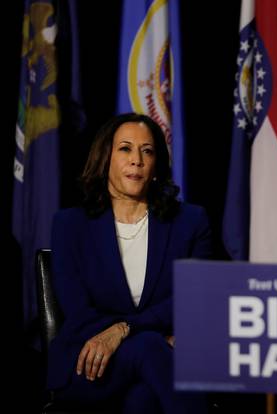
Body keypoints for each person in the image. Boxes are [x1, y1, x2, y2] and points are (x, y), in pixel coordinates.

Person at [47, 113, 212, 413]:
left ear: (157, 164)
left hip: (162, 359)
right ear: (104, 157)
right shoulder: (70, 225)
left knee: (142, 399)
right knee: (151, 347)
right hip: (90, 363)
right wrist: (148, 334)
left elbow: (191, 300)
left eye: (147, 151)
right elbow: (79, 311)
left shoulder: (190, 222)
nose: (136, 159)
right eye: (125, 148)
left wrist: (125, 329)